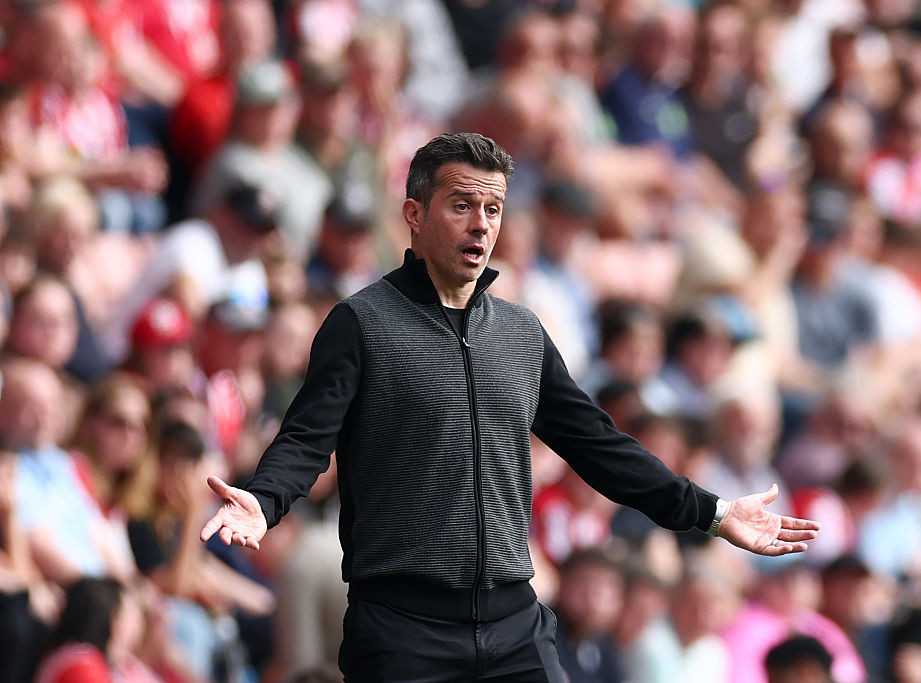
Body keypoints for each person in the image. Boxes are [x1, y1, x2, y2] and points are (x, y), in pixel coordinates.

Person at [200, 132, 821, 680]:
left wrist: (710, 512)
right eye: (461, 205)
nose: (481, 225)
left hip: (513, 623)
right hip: (403, 630)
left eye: (493, 209)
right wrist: (266, 499)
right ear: (414, 214)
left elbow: (598, 446)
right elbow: (308, 437)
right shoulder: (362, 323)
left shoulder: (522, 334)